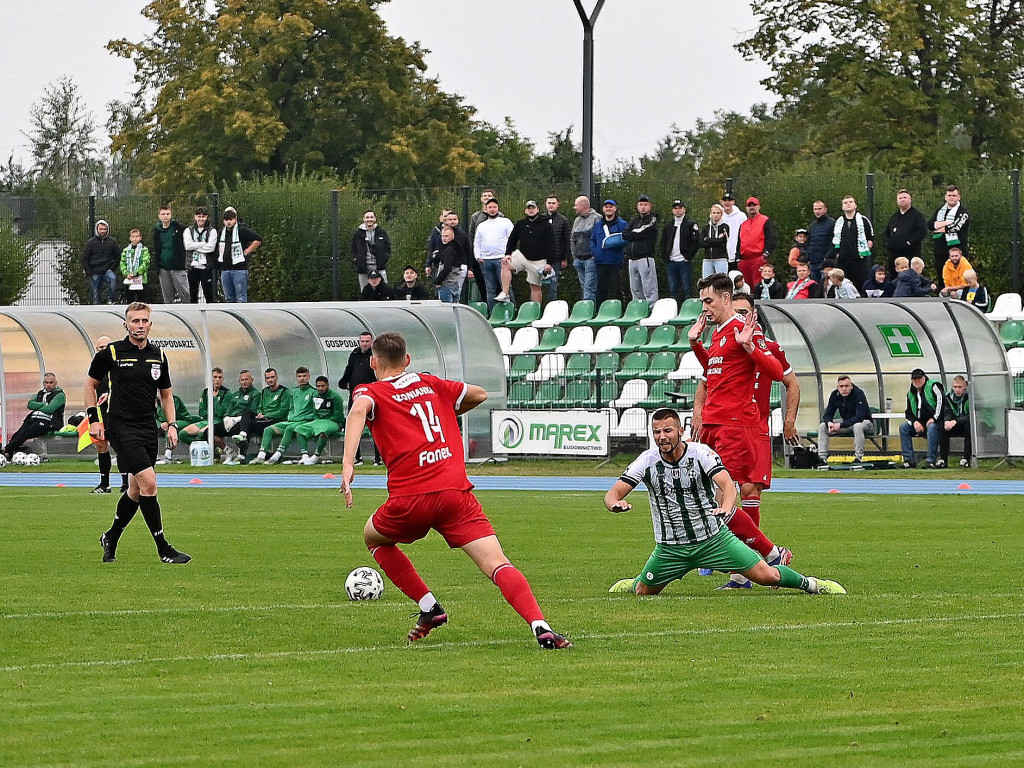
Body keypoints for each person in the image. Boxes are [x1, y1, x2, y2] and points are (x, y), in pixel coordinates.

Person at [340, 331, 573, 649]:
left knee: (373, 537)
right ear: (407, 360)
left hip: (411, 499)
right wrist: (445, 410)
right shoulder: (430, 383)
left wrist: (348, 465)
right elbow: (478, 394)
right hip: (455, 495)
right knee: (497, 562)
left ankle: (429, 607)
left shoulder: (371, 390)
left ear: (373, 362)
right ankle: (540, 625)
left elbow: (357, 411)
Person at [604, 408, 846, 596]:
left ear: (680, 431)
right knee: (642, 591)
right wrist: (616, 503)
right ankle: (637, 580)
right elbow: (612, 494)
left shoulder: (701, 453)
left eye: (667, 431)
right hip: (671, 547)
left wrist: (727, 505)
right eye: (657, 432)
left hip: (713, 540)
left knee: (767, 576)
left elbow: (727, 484)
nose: (662, 437)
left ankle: (814, 585)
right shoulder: (646, 461)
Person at [686, 273, 793, 589]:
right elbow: (714, 372)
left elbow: (776, 372)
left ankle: (768, 555)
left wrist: (751, 347)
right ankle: (758, 559)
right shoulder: (717, 333)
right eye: (702, 301)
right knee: (710, 497)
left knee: (726, 498)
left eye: (709, 300)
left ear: (725, 298)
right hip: (714, 423)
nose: (705, 307)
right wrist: (696, 344)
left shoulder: (744, 331)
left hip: (735, 425)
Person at [86, 302, 190, 564]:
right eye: (135, 321)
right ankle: (163, 548)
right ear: (126, 325)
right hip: (120, 426)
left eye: (144, 321)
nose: (140, 325)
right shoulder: (112, 352)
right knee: (149, 483)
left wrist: (172, 424)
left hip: (147, 427)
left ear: (150, 324)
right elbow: (90, 384)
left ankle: (111, 536)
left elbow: (166, 394)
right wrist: (94, 420)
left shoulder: (159, 356)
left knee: (135, 489)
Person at [88, 335, 128, 494]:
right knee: (101, 446)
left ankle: (126, 484)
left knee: (119, 447)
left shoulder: (119, 365)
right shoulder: (96, 367)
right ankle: (105, 484)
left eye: (106, 347)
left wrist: (110, 394)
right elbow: (90, 387)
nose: (104, 350)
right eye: (100, 348)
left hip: (117, 413)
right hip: (100, 412)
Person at [252, 366, 317, 464]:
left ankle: (276, 456)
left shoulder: (314, 392)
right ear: (296, 377)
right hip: (291, 421)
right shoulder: (293, 391)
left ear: (309, 377)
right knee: (268, 429)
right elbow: (290, 408)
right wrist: (291, 417)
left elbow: (315, 412)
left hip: (304, 422)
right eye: (299, 376)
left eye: (304, 376)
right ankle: (261, 456)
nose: (302, 378)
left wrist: (302, 418)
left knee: (289, 428)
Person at [497, 200, 555, 305]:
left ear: (537, 209)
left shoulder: (546, 225)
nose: (531, 210)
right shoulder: (520, 224)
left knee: (535, 288)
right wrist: (508, 254)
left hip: (539, 261)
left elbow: (552, 245)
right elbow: (512, 240)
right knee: (505, 263)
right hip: (522, 256)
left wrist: (549, 263)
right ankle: (505, 293)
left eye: (533, 208)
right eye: (529, 208)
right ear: (525, 211)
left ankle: (535, 312)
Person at [338, 331, 381, 465]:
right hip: (355, 395)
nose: (364, 344)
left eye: (367, 341)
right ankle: (356, 458)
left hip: (372, 396)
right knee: (353, 426)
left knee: (377, 426)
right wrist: (345, 383)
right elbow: (348, 371)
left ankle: (378, 458)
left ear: (371, 342)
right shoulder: (355, 354)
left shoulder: (375, 356)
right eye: (362, 341)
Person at [179, 367, 238, 464]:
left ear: (223, 379)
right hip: (206, 420)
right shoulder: (206, 392)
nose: (217, 379)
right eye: (215, 377)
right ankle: (210, 450)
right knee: (183, 433)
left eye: (220, 377)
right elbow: (202, 411)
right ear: (211, 378)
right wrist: (210, 413)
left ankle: (205, 453)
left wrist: (214, 400)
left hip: (218, 421)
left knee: (203, 433)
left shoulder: (227, 393)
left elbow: (222, 411)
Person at [1, 372, 65, 461]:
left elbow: (50, 409)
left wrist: (39, 406)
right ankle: (8, 455)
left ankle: (5, 450)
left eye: (51, 382)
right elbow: (30, 404)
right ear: (43, 383)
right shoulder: (41, 393)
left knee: (26, 433)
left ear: (56, 383)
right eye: (46, 382)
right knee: (17, 434)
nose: (49, 385)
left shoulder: (60, 395)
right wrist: (43, 404)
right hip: (33, 418)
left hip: (47, 422)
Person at [288, 376, 346, 465]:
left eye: (323, 386)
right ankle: (305, 455)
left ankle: (316, 456)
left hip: (333, 422)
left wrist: (325, 420)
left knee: (323, 431)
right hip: (318, 421)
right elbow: (315, 412)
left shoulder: (336, 397)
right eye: (318, 386)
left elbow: (338, 416)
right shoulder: (315, 395)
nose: (320, 388)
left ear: (328, 385)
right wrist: (317, 420)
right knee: (299, 429)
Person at [232, 367, 289, 457]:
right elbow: (260, 407)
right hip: (263, 418)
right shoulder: (265, 391)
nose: (270, 380)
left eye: (272, 377)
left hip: (274, 420)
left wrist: (265, 415)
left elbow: (283, 412)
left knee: (247, 425)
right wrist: (260, 413)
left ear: (277, 377)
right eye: (268, 378)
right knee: (246, 413)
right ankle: (242, 436)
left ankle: (242, 455)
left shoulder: (285, 391)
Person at [817, 376, 873, 466]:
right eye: (841, 386)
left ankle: (859, 458)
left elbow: (859, 416)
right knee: (823, 426)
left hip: (865, 423)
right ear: (838, 387)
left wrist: (841, 425)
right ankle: (822, 458)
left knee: (857, 426)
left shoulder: (858, 394)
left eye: (847, 386)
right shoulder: (835, 395)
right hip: (846, 423)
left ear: (851, 386)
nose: (844, 389)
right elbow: (828, 414)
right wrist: (830, 423)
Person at [473, 197, 514, 311]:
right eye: (490, 207)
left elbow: (512, 239)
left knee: (506, 288)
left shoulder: (506, 222)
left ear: (498, 208)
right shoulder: (482, 225)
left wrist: (509, 255)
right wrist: (478, 256)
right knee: (490, 289)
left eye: (494, 207)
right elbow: (477, 242)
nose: (492, 209)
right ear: (486, 209)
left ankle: (511, 312)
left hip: (502, 260)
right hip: (486, 261)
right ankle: (493, 313)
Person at [899, 368, 944, 468]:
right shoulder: (910, 393)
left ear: (924, 378)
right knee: (903, 428)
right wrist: (915, 422)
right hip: (919, 422)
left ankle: (931, 460)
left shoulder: (933, 386)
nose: (917, 381)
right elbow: (909, 412)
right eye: (915, 379)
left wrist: (935, 418)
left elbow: (941, 402)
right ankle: (909, 460)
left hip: (936, 420)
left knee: (932, 427)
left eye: (919, 378)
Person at [216, 207, 262, 302]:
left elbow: (258, 239)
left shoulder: (242, 230)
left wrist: (248, 250)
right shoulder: (221, 232)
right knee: (229, 298)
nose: (229, 222)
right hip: (225, 269)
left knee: (240, 297)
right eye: (226, 220)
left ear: (235, 219)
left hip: (239, 269)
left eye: (231, 219)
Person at [622, 194, 660, 302]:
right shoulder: (634, 220)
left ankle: (652, 309)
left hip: (645, 258)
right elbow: (624, 235)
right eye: (641, 204)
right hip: (632, 259)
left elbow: (643, 232)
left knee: (649, 288)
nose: (643, 207)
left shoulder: (653, 219)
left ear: (650, 206)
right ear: (637, 206)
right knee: (635, 289)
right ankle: (638, 311)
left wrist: (632, 234)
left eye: (645, 204)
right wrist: (633, 234)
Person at [831, 195, 873, 294]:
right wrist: (838, 253)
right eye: (845, 202)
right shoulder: (839, 222)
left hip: (859, 259)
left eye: (850, 202)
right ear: (842, 207)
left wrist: (865, 250)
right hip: (843, 260)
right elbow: (834, 239)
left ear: (855, 205)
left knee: (860, 284)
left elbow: (870, 238)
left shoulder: (863, 220)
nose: (848, 204)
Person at [591, 199, 629, 306]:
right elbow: (593, 240)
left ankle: (620, 311)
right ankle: (600, 313)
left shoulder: (622, 224)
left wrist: (613, 243)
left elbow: (626, 239)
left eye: (611, 206)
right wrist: (595, 253)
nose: (608, 209)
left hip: (616, 263)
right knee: (601, 290)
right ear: (603, 209)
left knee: (617, 289)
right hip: (601, 262)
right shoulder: (598, 225)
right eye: (606, 207)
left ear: (615, 208)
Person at [660, 199, 700, 302]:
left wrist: (688, 256)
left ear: (684, 209)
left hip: (684, 261)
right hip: (671, 262)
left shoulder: (691, 224)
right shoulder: (668, 226)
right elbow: (663, 242)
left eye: (680, 208)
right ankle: (674, 311)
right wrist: (666, 258)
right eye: (675, 208)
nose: (678, 210)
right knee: (673, 289)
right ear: (672, 210)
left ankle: (689, 310)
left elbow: (695, 242)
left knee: (687, 288)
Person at [928, 185, 970, 280]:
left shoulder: (963, 211)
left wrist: (939, 226)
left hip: (957, 250)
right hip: (940, 250)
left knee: (960, 278)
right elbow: (930, 224)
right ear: (945, 197)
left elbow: (955, 227)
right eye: (949, 195)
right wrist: (945, 224)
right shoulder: (940, 211)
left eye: (954, 195)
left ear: (959, 197)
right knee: (942, 277)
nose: (951, 197)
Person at [735, 197, 778, 289]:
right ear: (746, 208)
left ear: (759, 207)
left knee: (758, 285)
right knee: (745, 286)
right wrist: (738, 257)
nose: (752, 207)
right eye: (749, 205)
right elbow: (739, 242)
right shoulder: (743, 224)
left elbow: (771, 238)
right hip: (744, 260)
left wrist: (766, 253)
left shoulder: (765, 220)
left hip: (758, 257)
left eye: (754, 205)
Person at [883, 189, 929, 274]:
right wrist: (887, 243)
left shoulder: (917, 216)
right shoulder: (894, 217)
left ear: (910, 199)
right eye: (900, 198)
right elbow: (887, 232)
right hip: (894, 255)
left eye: (905, 197)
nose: (902, 199)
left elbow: (922, 232)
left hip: (911, 254)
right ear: (897, 201)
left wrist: (909, 243)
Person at [152, 205, 188, 303]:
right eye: (163, 214)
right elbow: (157, 248)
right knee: (167, 297)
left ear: (171, 215)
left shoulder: (179, 228)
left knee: (185, 294)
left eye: (168, 214)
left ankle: (191, 313)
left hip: (177, 266)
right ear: (159, 216)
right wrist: (158, 266)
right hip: (163, 267)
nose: (165, 216)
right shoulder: (157, 231)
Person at [468, 189, 498, 303]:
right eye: (484, 196)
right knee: (483, 285)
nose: (486, 197)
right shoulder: (475, 216)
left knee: (498, 286)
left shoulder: (500, 216)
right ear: (481, 199)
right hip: (480, 257)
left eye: (489, 195)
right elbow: (471, 236)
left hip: (497, 256)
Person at [350, 210, 392, 292]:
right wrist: (356, 260)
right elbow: (353, 249)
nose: (369, 219)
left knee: (385, 291)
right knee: (365, 292)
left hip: (379, 266)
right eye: (367, 217)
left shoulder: (381, 232)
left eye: (371, 217)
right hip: (363, 268)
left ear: (375, 219)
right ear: (363, 219)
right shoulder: (358, 234)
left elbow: (388, 248)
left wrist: (384, 259)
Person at [570, 195, 601, 302]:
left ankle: (589, 312)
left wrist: (594, 255)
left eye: (576, 205)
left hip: (590, 259)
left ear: (582, 206)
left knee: (589, 288)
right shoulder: (577, 220)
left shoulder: (597, 218)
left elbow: (599, 238)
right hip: (578, 260)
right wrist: (574, 256)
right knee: (584, 287)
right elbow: (572, 239)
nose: (575, 208)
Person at [183, 206, 217, 303]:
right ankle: (194, 316)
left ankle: (212, 314)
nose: (201, 219)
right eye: (199, 216)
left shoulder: (212, 231)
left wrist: (195, 246)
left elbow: (211, 248)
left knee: (208, 294)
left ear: (207, 217)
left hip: (206, 267)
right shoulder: (188, 230)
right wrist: (203, 244)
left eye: (203, 216)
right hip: (192, 267)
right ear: (195, 217)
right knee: (193, 294)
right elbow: (188, 246)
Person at [82, 219, 119, 305]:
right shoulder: (90, 243)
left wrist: (112, 268)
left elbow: (118, 256)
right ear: (97, 229)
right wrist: (90, 272)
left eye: (104, 229)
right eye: (101, 229)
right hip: (94, 271)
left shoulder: (112, 242)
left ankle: (110, 300)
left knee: (113, 279)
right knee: (95, 292)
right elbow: (85, 258)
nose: (102, 231)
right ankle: (95, 305)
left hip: (107, 271)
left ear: (107, 229)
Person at [938, 375, 972, 468]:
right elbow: (947, 411)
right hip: (957, 423)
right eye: (955, 387)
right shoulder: (948, 397)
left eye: (960, 387)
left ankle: (966, 458)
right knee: (943, 427)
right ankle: (943, 459)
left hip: (972, 424)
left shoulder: (971, 397)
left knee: (969, 426)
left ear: (965, 386)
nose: (957, 390)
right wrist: (947, 421)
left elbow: (972, 416)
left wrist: (956, 421)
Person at [155, 394, 199, 464]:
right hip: (167, 423)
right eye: (157, 391)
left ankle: (168, 455)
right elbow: (154, 417)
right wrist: (160, 424)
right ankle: (154, 455)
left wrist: (167, 423)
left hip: (184, 420)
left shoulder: (174, 399)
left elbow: (171, 414)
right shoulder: (155, 402)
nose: (159, 393)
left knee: (170, 427)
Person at [543, 195, 571, 301]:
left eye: (553, 203)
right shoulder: (540, 219)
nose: (551, 205)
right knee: (537, 286)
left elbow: (567, 240)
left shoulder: (563, 220)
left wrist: (565, 258)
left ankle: (552, 310)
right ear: (546, 204)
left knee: (553, 287)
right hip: (541, 259)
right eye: (549, 203)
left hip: (556, 259)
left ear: (558, 205)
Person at [429, 226, 463, 303]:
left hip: (446, 285)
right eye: (442, 236)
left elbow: (447, 268)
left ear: (452, 236)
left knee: (446, 310)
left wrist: (437, 281)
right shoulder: (458, 248)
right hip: (456, 284)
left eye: (446, 236)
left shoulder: (449, 250)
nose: (444, 238)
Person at [806, 200, 835, 285]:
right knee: (816, 286)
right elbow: (809, 242)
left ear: (825, 210)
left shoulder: (832, 223)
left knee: (827, 285)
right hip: (813, 262)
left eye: (819, 209)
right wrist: (808, 257)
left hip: (826, 262)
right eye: (815, 209)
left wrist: (827, 257)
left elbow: (834, 242)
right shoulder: (813, 225)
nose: (817, 211)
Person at [119, 228, 151, 300]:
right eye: (133, 236)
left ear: (140, 238)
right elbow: (122, 263)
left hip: (141, 280)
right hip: (129, 280)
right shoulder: (126, 250)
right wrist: (126, 273)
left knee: (141, 301)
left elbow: (146, 263)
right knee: (129, 301)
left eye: (137, 236)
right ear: (130, 238)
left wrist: (136, 273)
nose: (135, 238)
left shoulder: (144, 250)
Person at [699, 204, 730, 278]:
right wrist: (715, 241)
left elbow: (721, 241)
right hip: (707, 259)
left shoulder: (724, 227)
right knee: (706, 282)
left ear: (721, 214)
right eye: (714, 213)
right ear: (710, 214)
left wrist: (707, 239)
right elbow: (701, 243)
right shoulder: (705, 228)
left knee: (722, 281)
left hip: (721, 258)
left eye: (718, 213)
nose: (716, 215)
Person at [719, 193, 746, 270]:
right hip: (722, 255)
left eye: (729, 200)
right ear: (721, 202)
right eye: (725, 200)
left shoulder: (741, 216)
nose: (727, 202)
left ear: (733, 202)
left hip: (737, 254)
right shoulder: (718, 215)